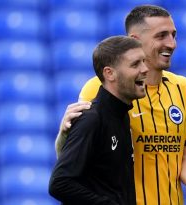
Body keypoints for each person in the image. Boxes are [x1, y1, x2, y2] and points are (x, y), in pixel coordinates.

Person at [56, 5, 186, 205]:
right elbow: (74, 158)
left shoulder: (183, 88)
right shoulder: (100, 88)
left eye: (173, 35)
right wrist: (63, 134)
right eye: (161, 36)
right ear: (135, 41)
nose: (172, 43)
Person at [49, 36, 148, 205]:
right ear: (109, 73)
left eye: (144, 61)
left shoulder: (122, 115)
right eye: (135, 64)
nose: (145, 69)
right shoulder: (91, 118)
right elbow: (59, 183)